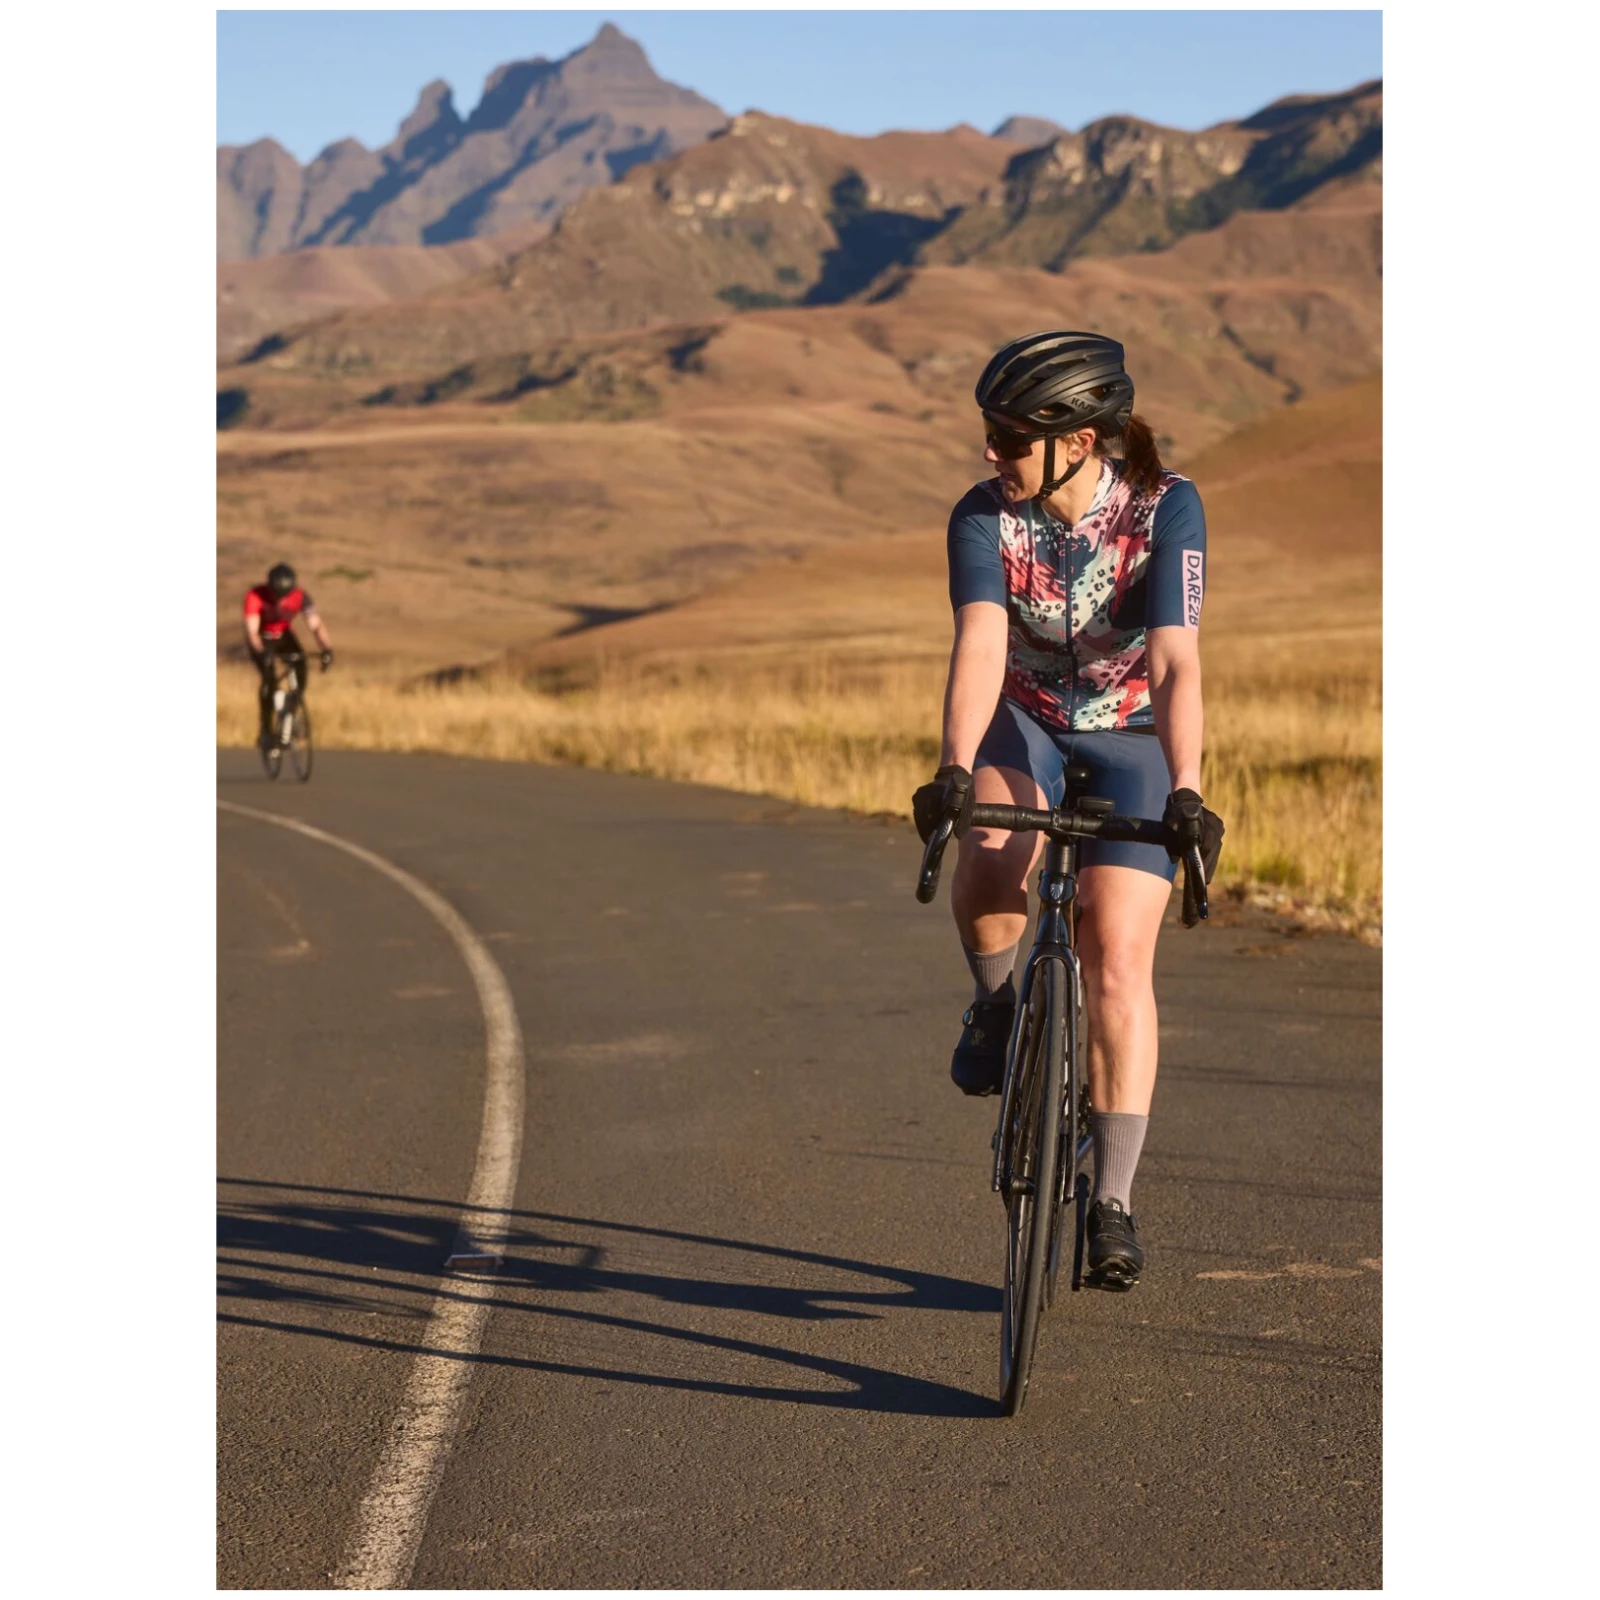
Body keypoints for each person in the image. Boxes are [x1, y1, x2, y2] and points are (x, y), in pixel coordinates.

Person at [913, 330, 1223, 1289]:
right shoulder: (985, 515)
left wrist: (1186, 788)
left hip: (1131, 734)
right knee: (990, 849)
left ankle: (1112, 1200)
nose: (991, 453)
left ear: (1079, 442)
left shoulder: (1166, 507)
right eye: (990, 432)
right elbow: (979, 640)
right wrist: (955, 768)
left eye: (1011, 438)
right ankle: (996, 1003)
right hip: (1027, 721)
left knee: (1117, 958)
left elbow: (1174, 658)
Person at [243, 563, 334, 749]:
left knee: (301, 667)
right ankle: (266, 730)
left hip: (284, 635)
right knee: (269, 682)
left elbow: (316, 625)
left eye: (284, 595)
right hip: (262, 636)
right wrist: (262, 652)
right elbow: (252, 631)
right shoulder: (255, 595)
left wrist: (326, 649)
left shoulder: (300, 597)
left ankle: (291, 713)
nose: (280, 599)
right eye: (276, 594)